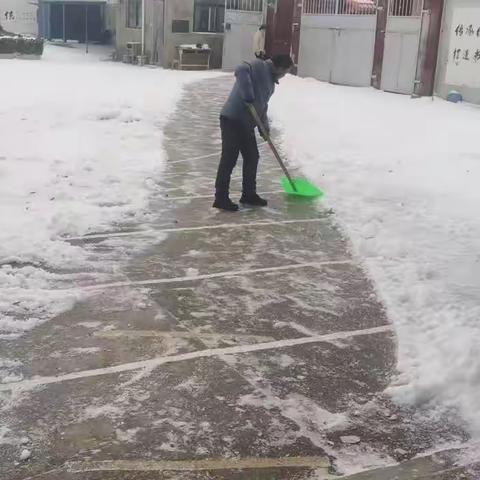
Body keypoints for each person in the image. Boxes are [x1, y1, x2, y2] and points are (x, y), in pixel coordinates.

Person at [213, 54, 294, 212]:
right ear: (279, 67)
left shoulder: (271, 82)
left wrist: (265, 128)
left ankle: (248, 195)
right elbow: (241, 69)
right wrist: (246, 91)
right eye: (285, 72)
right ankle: (220, 198)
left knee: (252, 157)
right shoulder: (259, 66)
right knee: (229, 159)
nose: (284, 76)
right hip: (232, 118)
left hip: (246, 124)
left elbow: (262, 107)